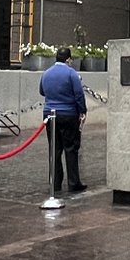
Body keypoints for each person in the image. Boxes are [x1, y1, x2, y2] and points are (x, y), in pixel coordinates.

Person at [39, 47, 87, 193]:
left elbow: (41, 91)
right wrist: (82, 111)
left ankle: (55, 183)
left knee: (54, 149)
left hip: (49, 114)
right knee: (71, 148)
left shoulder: (46, 73)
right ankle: (73, 183)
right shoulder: (71, 73)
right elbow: (78, 94)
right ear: (68, 59)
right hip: (68, 114)